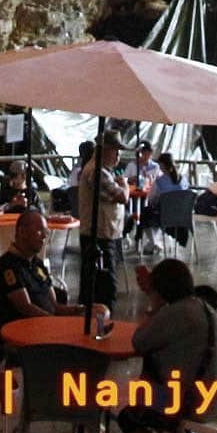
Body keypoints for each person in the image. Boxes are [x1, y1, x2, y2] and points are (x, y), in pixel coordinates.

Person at [117, 259, 217, 433]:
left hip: (197, 402)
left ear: (162, 290)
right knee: (170, 414)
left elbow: (139, 341)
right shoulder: (202, 306)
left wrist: (153, 305)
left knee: (127, 415)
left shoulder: (177, 312)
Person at [0, 209, 103, 337]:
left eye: (46, 232)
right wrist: (58, 324)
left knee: (99, 311)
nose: (44, 237)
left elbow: (55, 306)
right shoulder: (7, 266)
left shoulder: (37, 263)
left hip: (48, 326)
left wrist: (80, 310)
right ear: (22, 232)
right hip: (27, 333)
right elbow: (26, 308)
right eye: (39, 231)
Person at [77, 129, 129, 312]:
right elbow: (122, 197)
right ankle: (100, 324)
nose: (118, 156)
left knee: (96, 285)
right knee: (105, 288)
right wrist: (125, 185)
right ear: (105, 150)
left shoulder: (99, 170)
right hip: (99, 237)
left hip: (102, 234)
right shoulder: (98, 172)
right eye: (116, 150)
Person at [137, 153, 189, 256]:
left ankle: (153, 242)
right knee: (153, 213)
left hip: (165, 217)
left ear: (163, 166)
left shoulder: (160, 181)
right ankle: (154, 243)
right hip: (182, 218)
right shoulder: (184, 180)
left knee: (146, 213)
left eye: (160, 166)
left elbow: (152, 199)